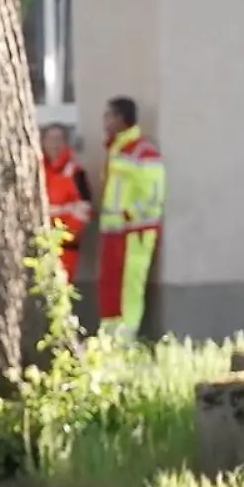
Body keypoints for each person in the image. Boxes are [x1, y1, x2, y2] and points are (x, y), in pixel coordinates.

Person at [99, 97, 164, 339]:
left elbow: (154, 192)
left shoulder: (142, 151)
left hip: (135, 231)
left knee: (130, 287)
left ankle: (125, 339)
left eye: (109, 116)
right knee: (111, 285)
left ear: (121, 118)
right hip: (114, 231)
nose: (105, 122)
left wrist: (131, 215)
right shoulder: (116, 149)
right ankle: (108, 338)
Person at [41, 123, 92, 282]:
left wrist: (65, 236)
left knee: (60, 295)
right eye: (50, 139)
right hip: (39, 245)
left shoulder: (76, 172)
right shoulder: (35, 170)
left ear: (65, 144)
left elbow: (85, 211)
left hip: (65, 248)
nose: (54, 144)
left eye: (58, 140)